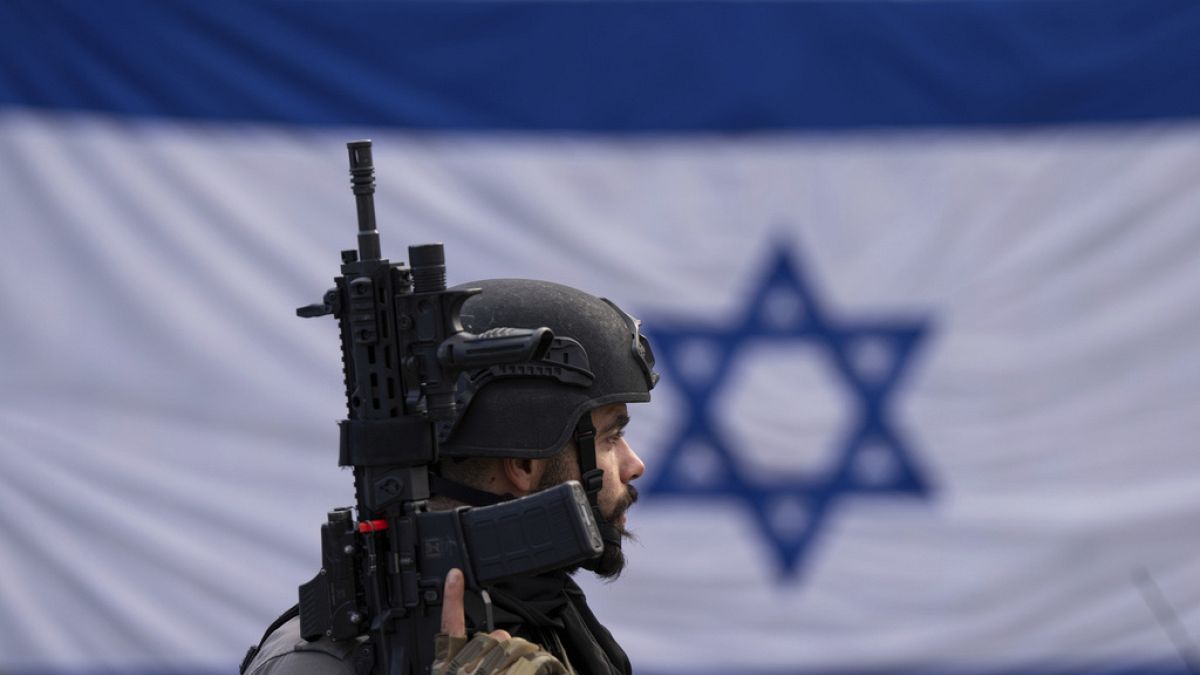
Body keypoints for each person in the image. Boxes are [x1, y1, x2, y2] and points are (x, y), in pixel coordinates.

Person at [242, 278, 658, 675]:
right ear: (523, 464)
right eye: (611, 437)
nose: (634, 464)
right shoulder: (321, 663)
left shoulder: (554, 617)